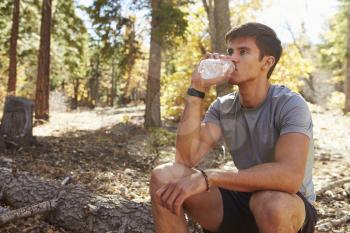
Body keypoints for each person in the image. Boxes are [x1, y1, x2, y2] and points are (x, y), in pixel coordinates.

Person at [149, 22, 317, 233]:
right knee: (164, 176)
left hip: (288, 206)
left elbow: (290, 177)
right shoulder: (223, 107)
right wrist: (196, 90)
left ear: (267, 62)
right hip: (243, 197)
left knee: (270, 203)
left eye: (243, 51)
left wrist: (211, 176)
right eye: (230, 51)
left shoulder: (290, 104)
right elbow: (185, 160)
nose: (232, 58)